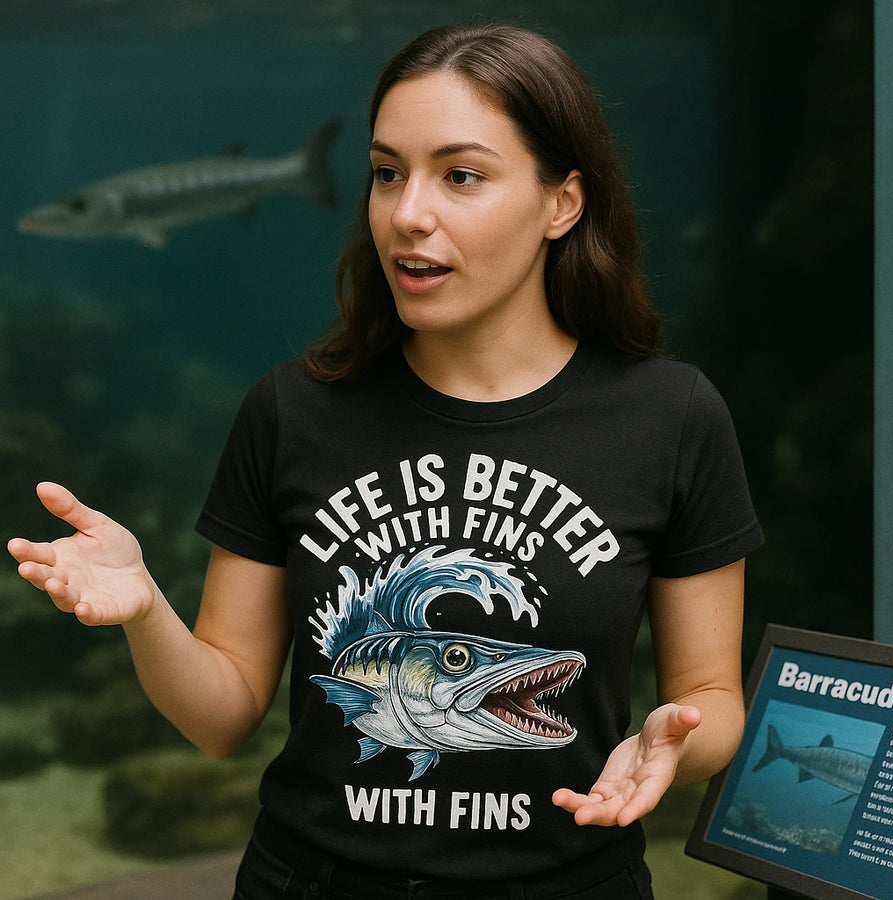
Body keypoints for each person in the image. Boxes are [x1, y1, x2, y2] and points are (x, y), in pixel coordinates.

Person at [8, 23, 764, 900]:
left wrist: (681, 739)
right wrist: (145, 609)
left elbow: (709, 691)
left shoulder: (672, 418)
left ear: (563, 202)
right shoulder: (291, 412)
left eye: (462, 175)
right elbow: (222, 718)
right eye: (386, 171)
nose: (407, 213)